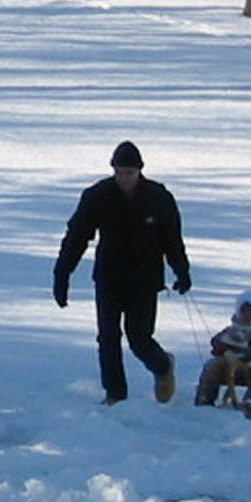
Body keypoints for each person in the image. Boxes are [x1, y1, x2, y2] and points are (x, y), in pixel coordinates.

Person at [52, 140, 193, 405]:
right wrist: (62, 274)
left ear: (139, 171)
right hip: (109, 277)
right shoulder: (98, 196)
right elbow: (77, 236)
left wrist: (181, 271)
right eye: (119, 172)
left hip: (145, 279)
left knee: (139, 338)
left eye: (129, 173)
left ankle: (162, 366)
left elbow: (172, 239)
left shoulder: (159, 197)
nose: (124, 178)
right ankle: (115, 395)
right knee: (108, 337)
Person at [195, 289, 251, 412]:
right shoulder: (230, 332)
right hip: (230, 370)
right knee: (212, 364)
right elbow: (216, 344)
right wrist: (225, 352)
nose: (247, 316)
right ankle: (205, 398)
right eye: (243, 312)